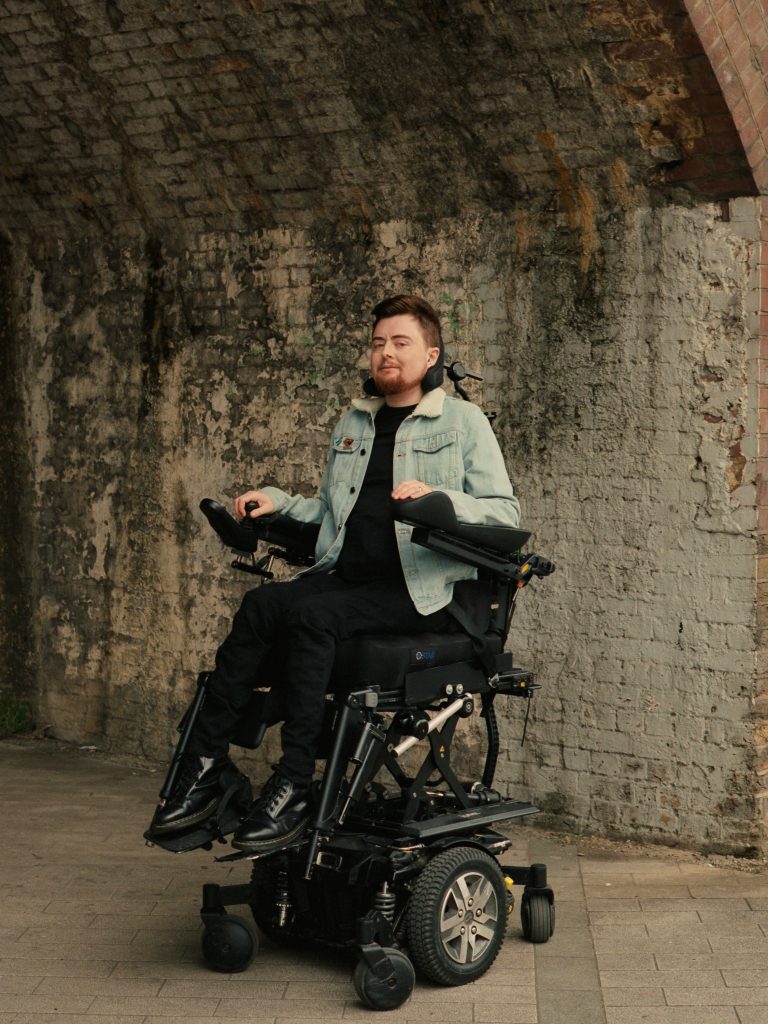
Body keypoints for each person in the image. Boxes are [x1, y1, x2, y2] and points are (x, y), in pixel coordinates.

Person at [149, 294, 520, 854]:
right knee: (261, 607)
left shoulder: (462, 422)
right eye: (378, 344)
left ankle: (295, 782)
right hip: (348, 578)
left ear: (431, 355)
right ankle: (203, 766)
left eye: (400, 343)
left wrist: (439, 499)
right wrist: (272, 503)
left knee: (312, 616)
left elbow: (504, 513)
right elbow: (331, 513)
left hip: (420, 591)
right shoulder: (355, 422)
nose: (386, 353)